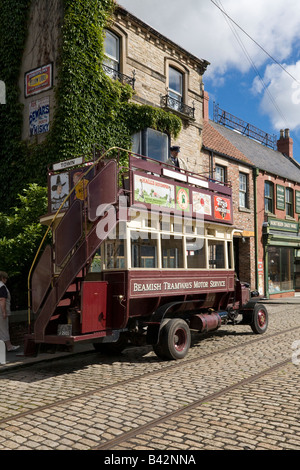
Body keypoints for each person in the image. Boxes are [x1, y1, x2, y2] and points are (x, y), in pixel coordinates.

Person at [0, 271, 19, 352]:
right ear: (2, 278)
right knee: (4, 329)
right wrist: (4, 312)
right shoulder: (2, 286)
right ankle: (9, 346)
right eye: (6, 278)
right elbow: (2, 299)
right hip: (0, 311)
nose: (6, 280)